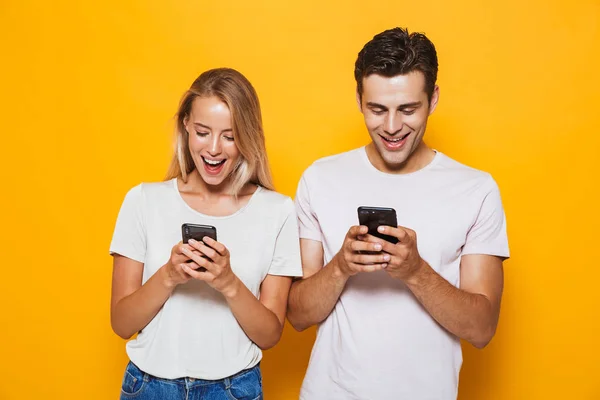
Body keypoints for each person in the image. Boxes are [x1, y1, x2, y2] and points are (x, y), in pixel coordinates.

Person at [287, 27, 510, 399]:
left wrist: (415, 271)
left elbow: (482, 329)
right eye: (377, 109)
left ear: (433, 99)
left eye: (408, 109)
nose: (391, 127)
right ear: (359, 99)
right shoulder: (319, 178)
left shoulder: (476, 190)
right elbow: (296, 314)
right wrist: (342, 265)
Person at [109, 67, 302, 399]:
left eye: (230, 136)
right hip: (149, 387)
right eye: (202, 132)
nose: (214, 148)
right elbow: (122, 323)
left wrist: (227, 281)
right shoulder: (143, 201)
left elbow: (270, 334)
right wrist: (168, 275)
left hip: (232, 389)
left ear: (248, 136)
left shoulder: (277, 211)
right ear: (185, 125)